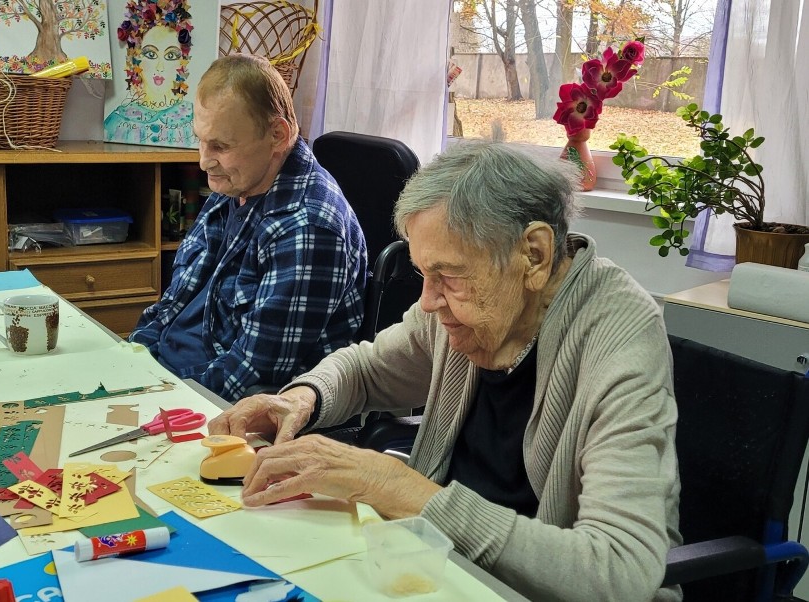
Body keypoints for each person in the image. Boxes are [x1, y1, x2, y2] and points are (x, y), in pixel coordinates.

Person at [209, 141, 682, 601]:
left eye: (448, 276)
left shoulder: (621, 336)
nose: (428, 302)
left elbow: (619, 572)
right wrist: (300, 399)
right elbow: (368, 368)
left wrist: (407, 492)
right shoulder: (468, 311)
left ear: (533, 255)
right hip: (444, 570)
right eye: (423, 275)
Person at [129, 54, 368, 402]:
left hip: (209, 404)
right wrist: (131, 357)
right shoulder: (237, 184)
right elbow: (172, 305)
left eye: (221, 146)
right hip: (165, 377)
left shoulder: (307, 228)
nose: (203, 160)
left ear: (277, 135)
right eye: (201, 139)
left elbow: (250, 374)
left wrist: (155, 394)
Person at [104, 0, 196, 147]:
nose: (160, 67)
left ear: (182, 61)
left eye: (171, 55)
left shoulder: (194, 120)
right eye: (151, 55)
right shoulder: (117, 122)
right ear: (135, 58)